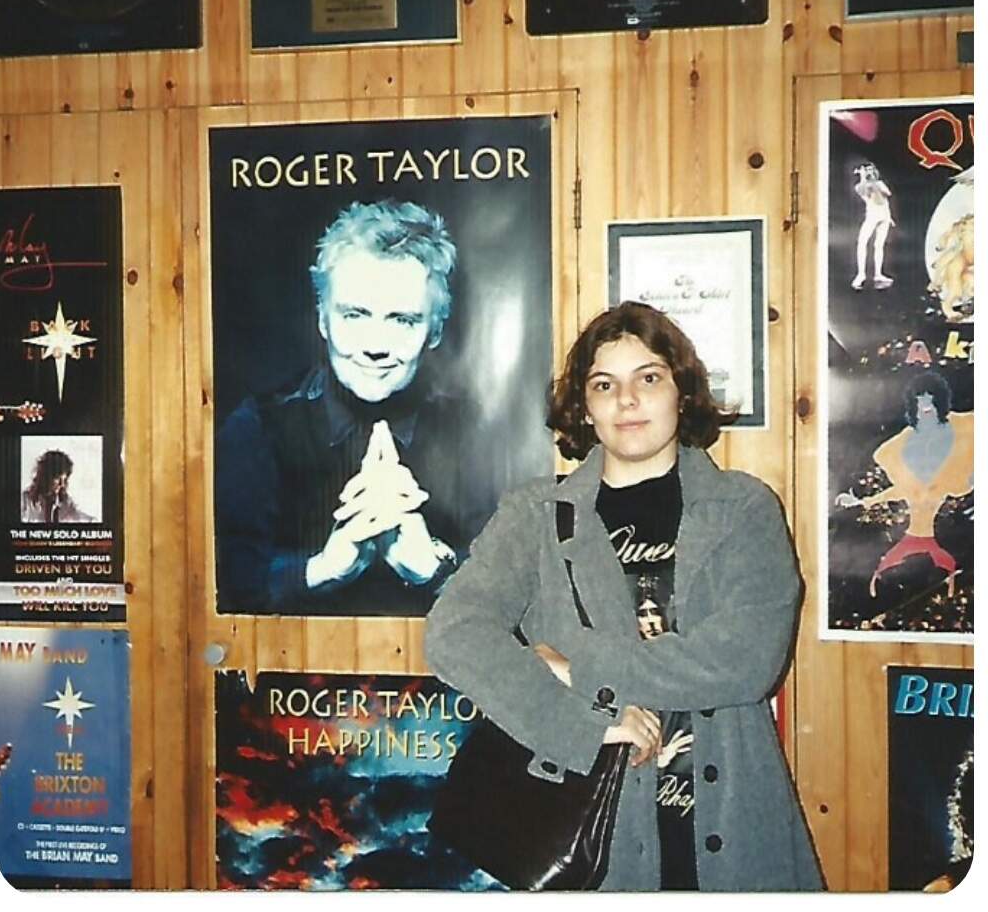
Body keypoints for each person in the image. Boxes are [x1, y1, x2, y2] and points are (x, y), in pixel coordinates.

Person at [425, 302, 823, 891]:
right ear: (585, 407)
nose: (627, 400)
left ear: (681, 392)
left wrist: (574, 667)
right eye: (604, 384)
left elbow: (746, 660)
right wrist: (581, 723)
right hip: (594, 845)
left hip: (734, 833)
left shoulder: (743, 508)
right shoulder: (536, 514)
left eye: (649, 378)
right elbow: (453, 635)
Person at [215, 200, 495, 614]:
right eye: (355, 315)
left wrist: (434, 569)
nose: (375, 346)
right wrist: (322, 569)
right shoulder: (256, 427)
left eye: (402, 320)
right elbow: (216, 588)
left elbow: (523, 598)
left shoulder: (477, 432)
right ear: (323, 321)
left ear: (434, 331)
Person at [836, 372, 973, 601]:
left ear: (941, 403)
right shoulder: (894, 450)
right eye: (919, 401)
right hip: (916, 536)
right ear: (912, 407)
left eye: (931, 400)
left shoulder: (971, 427)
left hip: (963, 537)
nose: (926, 405)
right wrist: (863, 502)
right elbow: (903, 490)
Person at [20, 448, 95, 523]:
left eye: (64, 480)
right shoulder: (24, 502)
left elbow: (81, 517)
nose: (62, 484)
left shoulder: (66, 503)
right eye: (58, 479)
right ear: (46, 476)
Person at [851, 162, 894, 290]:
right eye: (867, 170)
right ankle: (861, 274)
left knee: (879, 245)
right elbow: (864, 192)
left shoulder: (879, 184)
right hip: (872, 217)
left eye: (871, 169)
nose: (870, 172)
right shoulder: (859, 186)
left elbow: (886, 196)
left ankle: (878, 274)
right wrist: (863, 177)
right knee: (862, 242)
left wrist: (889, 217)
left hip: (884, 216)